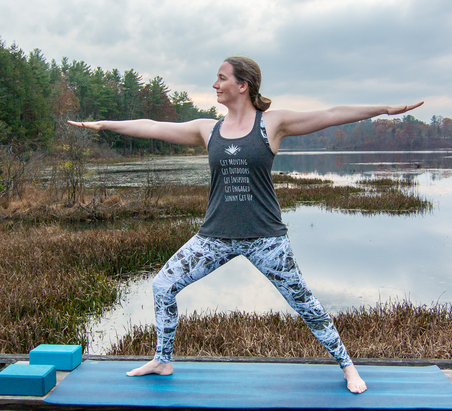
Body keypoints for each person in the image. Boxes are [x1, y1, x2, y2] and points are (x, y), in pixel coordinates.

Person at [69, 56, 423, 394]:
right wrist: (103, 125)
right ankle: (163, 361)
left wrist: (385, 110)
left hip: (266, 239)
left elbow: (331, 114)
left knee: (306, 305)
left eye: (221, 78)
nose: (214, 84)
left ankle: (347, 366)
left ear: (243, 85)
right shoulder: (208, 129)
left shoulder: (272, 123)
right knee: (163, 286)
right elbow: (155, 128)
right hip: (214, 237)